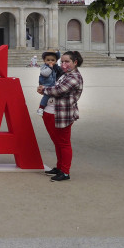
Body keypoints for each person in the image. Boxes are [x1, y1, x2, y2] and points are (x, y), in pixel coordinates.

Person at [37, 50, 84, 182]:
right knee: (57, 142)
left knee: (63, 143)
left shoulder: (75, 77)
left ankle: (65, 171)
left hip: (63, 114)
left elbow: (59, 90)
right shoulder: (64, 74)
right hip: (51, 111)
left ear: (75, 62)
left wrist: (44, 90)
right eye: (62, 61)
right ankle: (59, 167)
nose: (64, 64)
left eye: (67, 61)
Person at [36, 51, 62, 115]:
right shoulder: (44, 67)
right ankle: (41, 108)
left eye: (52, 60)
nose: (50, 61)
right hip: (45, 85)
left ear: (56, 61)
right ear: (44, 61)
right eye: (48, 60)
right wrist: (50, 67)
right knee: (46, 96)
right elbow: (45, 74)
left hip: (52, 84)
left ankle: (53, 107)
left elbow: (60, 71)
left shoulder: (55, 67)